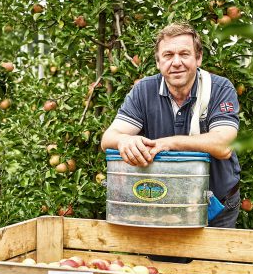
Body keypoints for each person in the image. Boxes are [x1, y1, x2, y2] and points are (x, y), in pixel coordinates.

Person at [101, 22, 241, 228]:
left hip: (215, 205)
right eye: (168, 55)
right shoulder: (144, 91)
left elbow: (223, 145)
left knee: (210, 261)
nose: (176, 62)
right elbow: (108, 139)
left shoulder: (219, 89)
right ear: (158, 62)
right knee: (157, 262)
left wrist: (168, 143)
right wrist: (125, 141)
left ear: (198, 58)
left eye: (184, 54)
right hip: (160, 206)